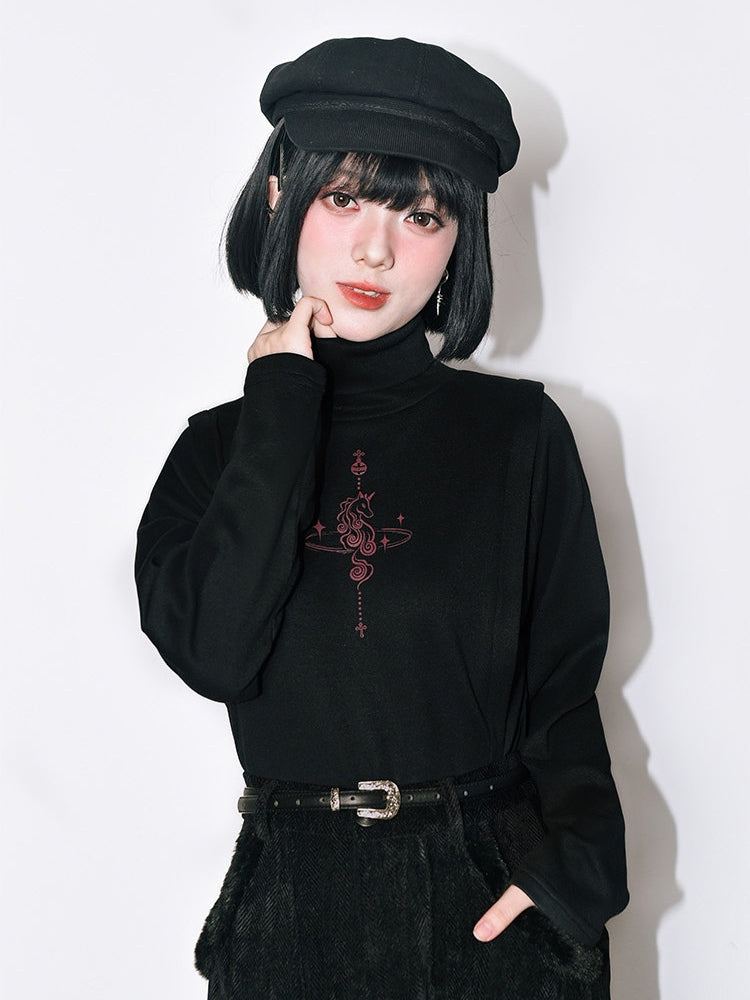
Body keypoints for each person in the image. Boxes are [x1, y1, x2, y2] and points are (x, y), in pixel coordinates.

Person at [135, 36, 628, 1000]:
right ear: (280, 196)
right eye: (344, 198)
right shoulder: (216, 450)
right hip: (290, 917)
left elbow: (565, 692)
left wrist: (573, 878)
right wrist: (280, 403)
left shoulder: (520, 436)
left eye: (421, 214)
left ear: (458, 239)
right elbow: (216, 655)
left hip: (494, 910)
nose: (376, 248)